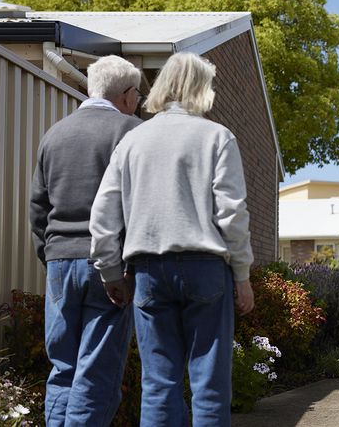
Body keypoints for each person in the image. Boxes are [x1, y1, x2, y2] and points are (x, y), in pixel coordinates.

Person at [89, 52, 255, 426]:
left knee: (159, 384)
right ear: (202, 89)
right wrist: (242, 275)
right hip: (206, 269)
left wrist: (110, 273)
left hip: (147, 270)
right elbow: (232, 214)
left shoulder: (133, 140)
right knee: (209, 386)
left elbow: (103, 215)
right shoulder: (217, 137)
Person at [30, 55, 143, 426]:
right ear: (126, 95)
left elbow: (38, 208)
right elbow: (137, 204)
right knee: (97, 372)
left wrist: (51, 259)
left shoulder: (55, 133)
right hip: (108, 266)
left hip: (60, 261)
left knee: (63, 367)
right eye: (137, 95)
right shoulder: (130, 131)